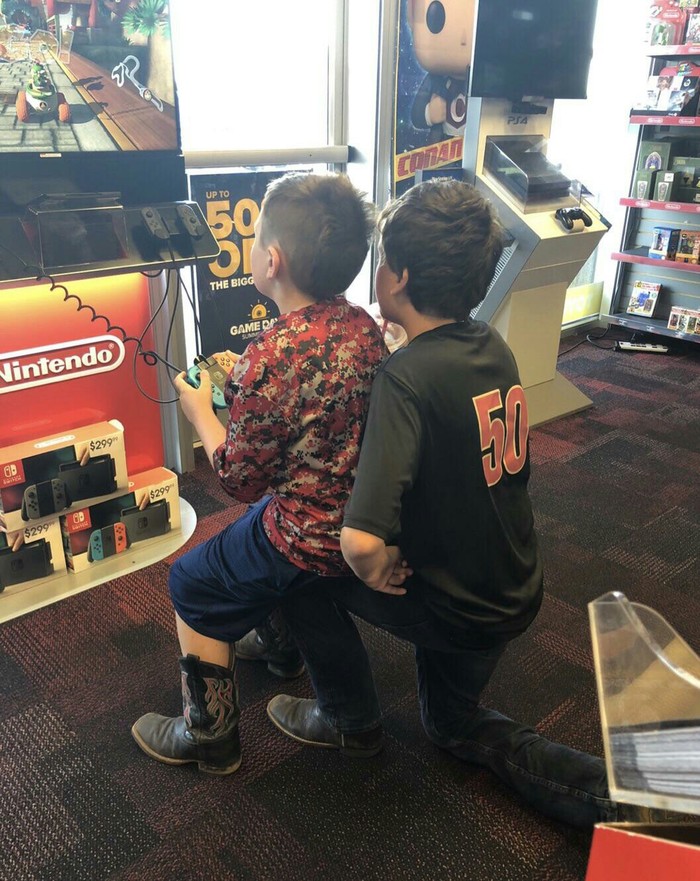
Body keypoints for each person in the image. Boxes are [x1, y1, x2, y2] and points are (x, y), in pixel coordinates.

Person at [262, 178, 620, 827]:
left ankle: (344, 714)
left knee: (297, 561)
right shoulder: (492, 344)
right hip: (513, 582)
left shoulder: (404, 380)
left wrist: (376, 568)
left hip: (462, 611)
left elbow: (359, 541)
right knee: (446, 707)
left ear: (397, 278)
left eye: (381, 261)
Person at [130, 171, 387, 774]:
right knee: (280, 556)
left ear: (271, 261)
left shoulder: (268, 359)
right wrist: (242, 391)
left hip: (306, 532)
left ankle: (208, 736)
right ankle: (294, 662)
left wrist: (201, 412)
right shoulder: (363, 327)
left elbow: (238, 479)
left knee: (192, 581)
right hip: (360, 519)